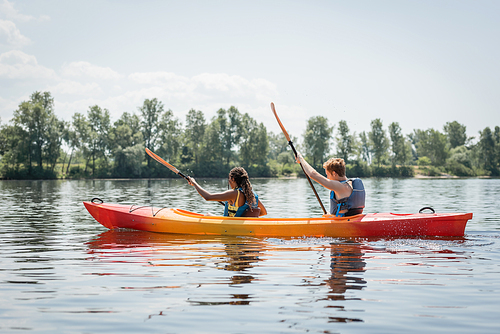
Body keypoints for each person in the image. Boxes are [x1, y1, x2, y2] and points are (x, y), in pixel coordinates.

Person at [295, 153, 365, 217]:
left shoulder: (340, 186)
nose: (327, 178)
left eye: (327, 175)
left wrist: (301, 159)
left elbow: (312, 174)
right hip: (354, 219)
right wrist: (331, 216)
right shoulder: (352, 184)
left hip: (343, 223)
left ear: (334, 173)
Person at [188, 167, 267, 217]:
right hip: (242, 227)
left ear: (233, 179)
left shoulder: (234, 193)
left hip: (231, 227)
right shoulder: (252, 195)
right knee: (209, 215)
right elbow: (264, 212)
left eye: (229, 179)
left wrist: (194, 183)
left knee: (207, 215)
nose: (229, 181)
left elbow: (208, 197)